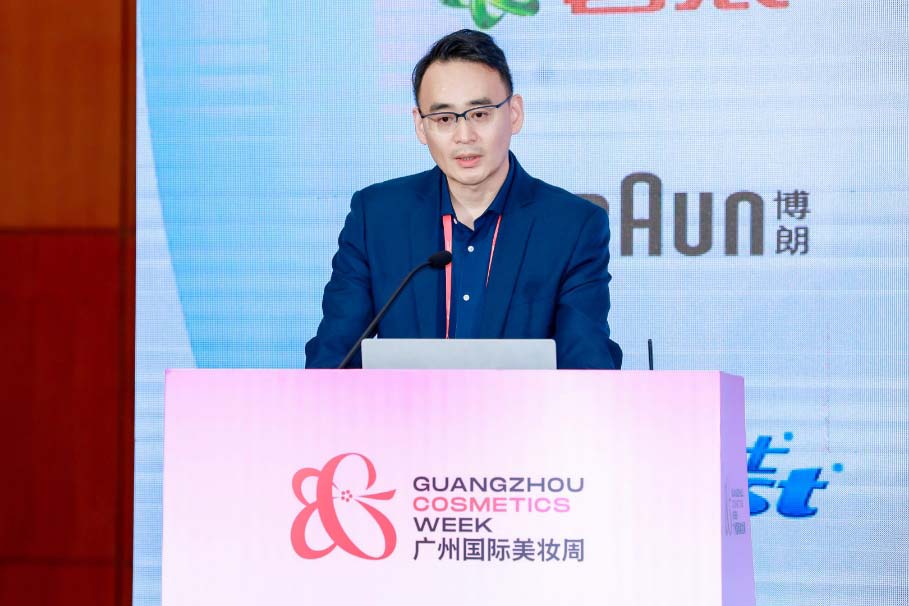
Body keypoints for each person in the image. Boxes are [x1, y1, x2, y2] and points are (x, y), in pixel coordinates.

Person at [305, 29, 621, 369]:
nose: (464, 136)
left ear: (514, 113)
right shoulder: (377, 217)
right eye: (444, 119)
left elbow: (587, 366)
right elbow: (334, 358)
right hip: (404, 405)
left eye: (480, 114)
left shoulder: (572, 226)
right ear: (421, 126)